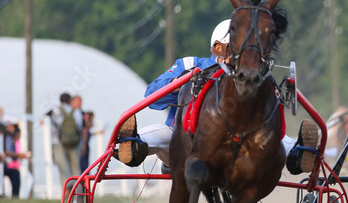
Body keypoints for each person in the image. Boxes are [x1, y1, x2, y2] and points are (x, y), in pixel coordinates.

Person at [114, 19, 306, 173]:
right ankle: (133, 146)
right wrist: (177, 84)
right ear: (218, 48)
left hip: (239, 144)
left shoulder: (249, 74)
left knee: (267, 133)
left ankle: (299, 154)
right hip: (184, 141)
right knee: (162, 133)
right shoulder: (191, 64)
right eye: (234, 48)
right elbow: (151, 95)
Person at [45, 92, 84, 186]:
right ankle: (77, 189)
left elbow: (49, 123)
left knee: (63, 168)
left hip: (58, 143)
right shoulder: (76, 111)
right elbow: (79, 126)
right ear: (70, 100)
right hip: (74, 143)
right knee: (75, 167)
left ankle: (66, 190)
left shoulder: (55, 111)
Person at [2, 117, 30, 198]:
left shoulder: (8, 138)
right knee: (15, 174)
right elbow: (6, 152)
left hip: (6, 164)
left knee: (16, 174)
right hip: (3, 164)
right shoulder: (8, 138)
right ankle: (15, 196)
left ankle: (15, 196)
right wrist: (19, 155)